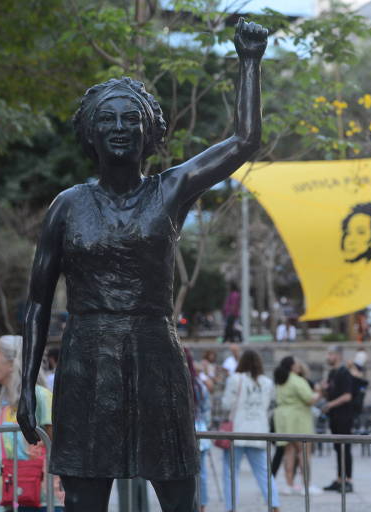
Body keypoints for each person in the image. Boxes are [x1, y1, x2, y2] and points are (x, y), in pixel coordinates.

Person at [16, 19, 268, 512]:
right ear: (90, 131)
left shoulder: (170, 189)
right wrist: (26, 385)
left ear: (149, 131)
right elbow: (37, 304)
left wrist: (250, 62)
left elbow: (244, 141)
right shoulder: (67, 206)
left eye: (130, 119)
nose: (119, 128)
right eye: (107, 119)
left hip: (155, 355)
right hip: (88, 359)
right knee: (85, 496)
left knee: (177, 494)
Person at [0, 335, 62, 512]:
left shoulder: (40, 396)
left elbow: (58, 444)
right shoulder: (3, 403)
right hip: (11, 498)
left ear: (13, 362)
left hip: (42, 500)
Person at [221, 350, 279, 512]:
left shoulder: (235, 379)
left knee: (230, 473)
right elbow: (270, 406)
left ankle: (231, 507)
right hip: (258, 431)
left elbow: (227, 404)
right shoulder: (267, 382)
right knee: (264, 473)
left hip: (237, 431)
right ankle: (274, 505)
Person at [273, 356, 321, 495]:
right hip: (298, 418)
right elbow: (309, 399)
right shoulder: (297, 380)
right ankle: (306, 486)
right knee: (304, 452)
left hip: (283, 419)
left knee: (289, 453)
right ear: (292, 366)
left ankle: (289, 485)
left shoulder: (281, 380)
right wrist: (318, 393)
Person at [321, 345, 355, 493]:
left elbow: (348, 396)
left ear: (339, 356)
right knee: (337, 448)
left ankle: (348, 480)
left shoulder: (344, 373)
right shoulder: (332, 373)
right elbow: (329, 394)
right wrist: (323, 389)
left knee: (345, 448)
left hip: (344, 416)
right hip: (334, 416)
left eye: (331, 354)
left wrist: (330, 404)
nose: (328, 357)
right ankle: (339, 478)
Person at [184, 349, 211, 512]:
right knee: (201, 473)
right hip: (200, 428)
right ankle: (202, 505)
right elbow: (206, 408)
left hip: (187, 431)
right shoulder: (199, 384)